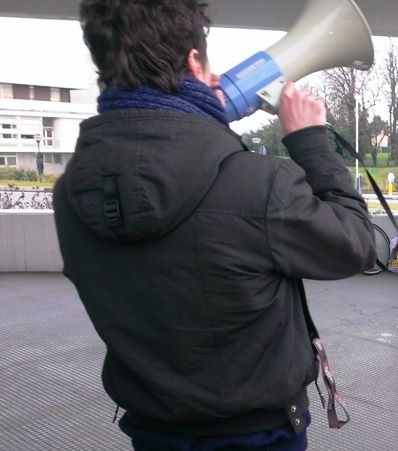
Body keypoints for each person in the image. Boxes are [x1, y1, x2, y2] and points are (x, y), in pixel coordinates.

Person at [52, 1, 376, 449]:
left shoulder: (72, 190)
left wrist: (196, 120)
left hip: (153, 425)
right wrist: (310, 141)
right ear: (193, 61)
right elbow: (357, 244)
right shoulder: (258, 183)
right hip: (258, 431)